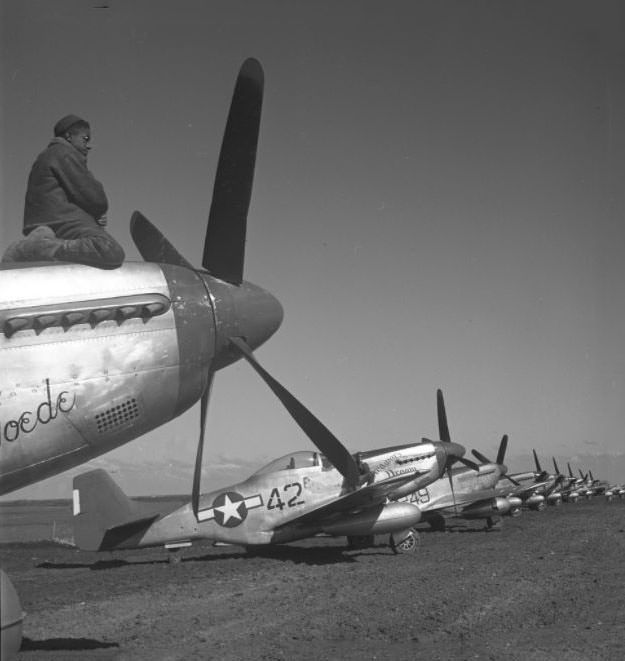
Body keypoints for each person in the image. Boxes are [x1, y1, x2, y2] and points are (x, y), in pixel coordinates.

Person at [2, 114, 125, 268]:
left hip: (48, 223)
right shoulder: (64, 153)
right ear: (68, 136)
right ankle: (39, 247)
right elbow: (96, 198)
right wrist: (97, 211)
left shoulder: (47, 156)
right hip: (60, 222)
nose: (88, 145)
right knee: (109, 249)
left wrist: (94, 216)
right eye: (85, 139)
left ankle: (42, 241)